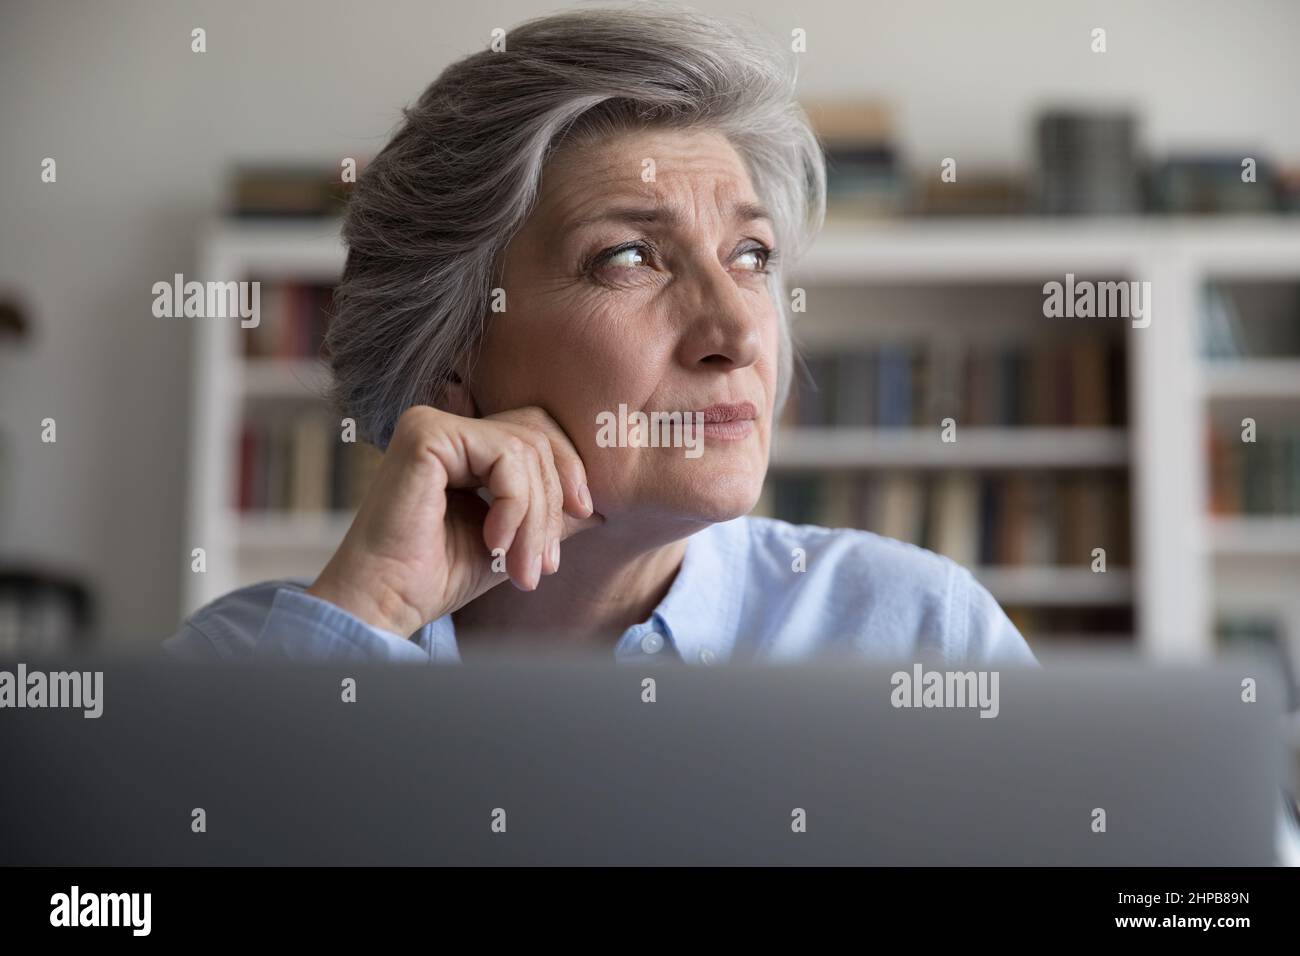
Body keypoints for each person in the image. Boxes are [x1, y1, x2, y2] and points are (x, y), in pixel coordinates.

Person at [164, 4, 1036, 667]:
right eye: (628, 257)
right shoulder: (254, 661)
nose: (736, 330)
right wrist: (374, 609)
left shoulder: (921, 635)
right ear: (455, 346)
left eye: (751, 255)